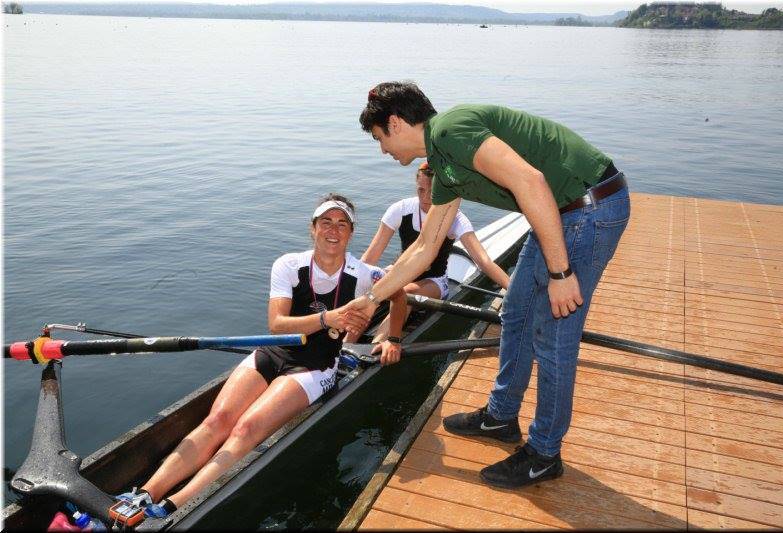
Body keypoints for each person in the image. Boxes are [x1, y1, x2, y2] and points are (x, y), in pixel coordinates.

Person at [345, 82, 630, 489]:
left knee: (553, 336)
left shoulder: (451, 130)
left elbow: (530, 182)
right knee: (515, 313)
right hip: (557, 212)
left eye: (379, 139)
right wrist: (371, 299)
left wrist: (561, 274)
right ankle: (500, 418)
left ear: (394, 123)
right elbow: (425, 248)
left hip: (589, 208)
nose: (383, 151)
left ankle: (544, 454)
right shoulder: (442, 162)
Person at [117, 194, 407, 517]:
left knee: (246, 429)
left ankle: (174, 505)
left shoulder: (366, 274)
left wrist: (392, 338)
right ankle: (144, 494)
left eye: (342, 224)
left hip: (316, 365)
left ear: (351, 233)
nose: (333, 230)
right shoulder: (288, 265)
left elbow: (399, 295)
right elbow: (276, 324)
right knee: (217, 421)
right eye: (326, 222)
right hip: (273, 351)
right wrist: (330, 318)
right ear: (313, 229)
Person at [361, 160, 510, 304]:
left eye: (432, 192)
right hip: (401, 273)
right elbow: (371, 257)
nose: (425, 198)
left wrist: (511, 290)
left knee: (403, 293)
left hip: (435, 282)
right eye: (421, 190)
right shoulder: (400, 209)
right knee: (370, 281)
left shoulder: (456, 218)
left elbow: (484, 262)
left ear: (441, 191)